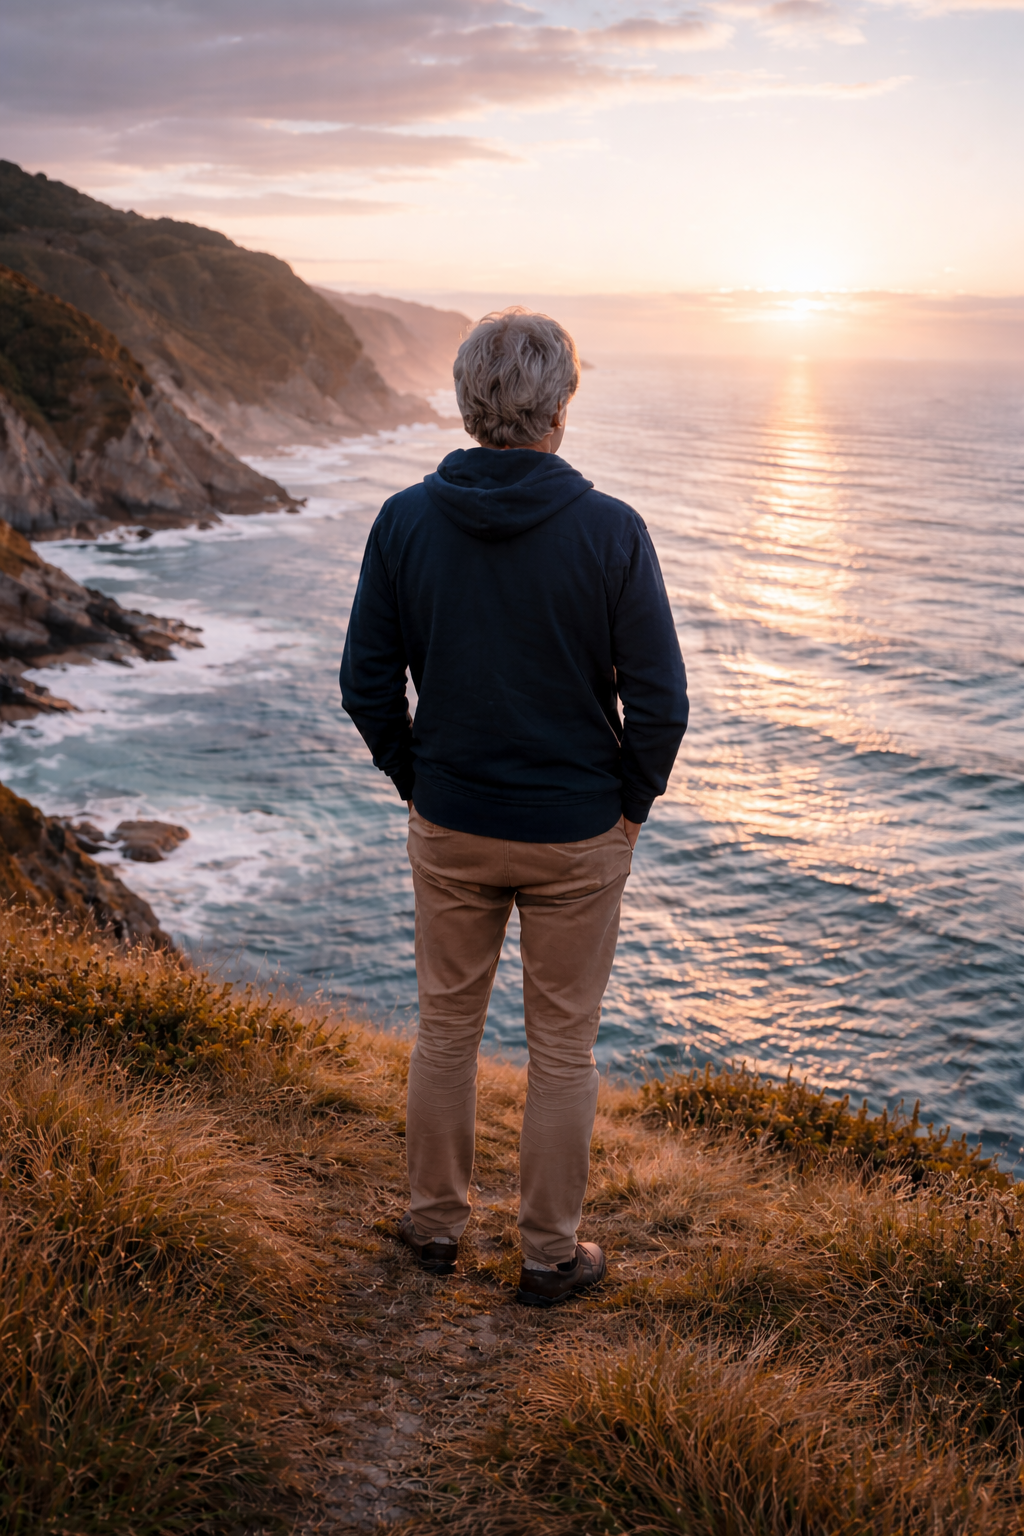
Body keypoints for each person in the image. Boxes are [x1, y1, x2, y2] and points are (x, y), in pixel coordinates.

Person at [340, 308, 688, 1307]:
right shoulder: (611, 530)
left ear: (466, 401)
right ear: (560, 404)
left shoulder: (404, 519)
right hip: (577, 832)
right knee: (563, 1049)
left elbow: (367, 684)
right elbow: (661, 701)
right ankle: (548, 1256)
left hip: (452, 820)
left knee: (446, 1031)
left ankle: (431, 1230)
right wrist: (627, 807)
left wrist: (420, 781)